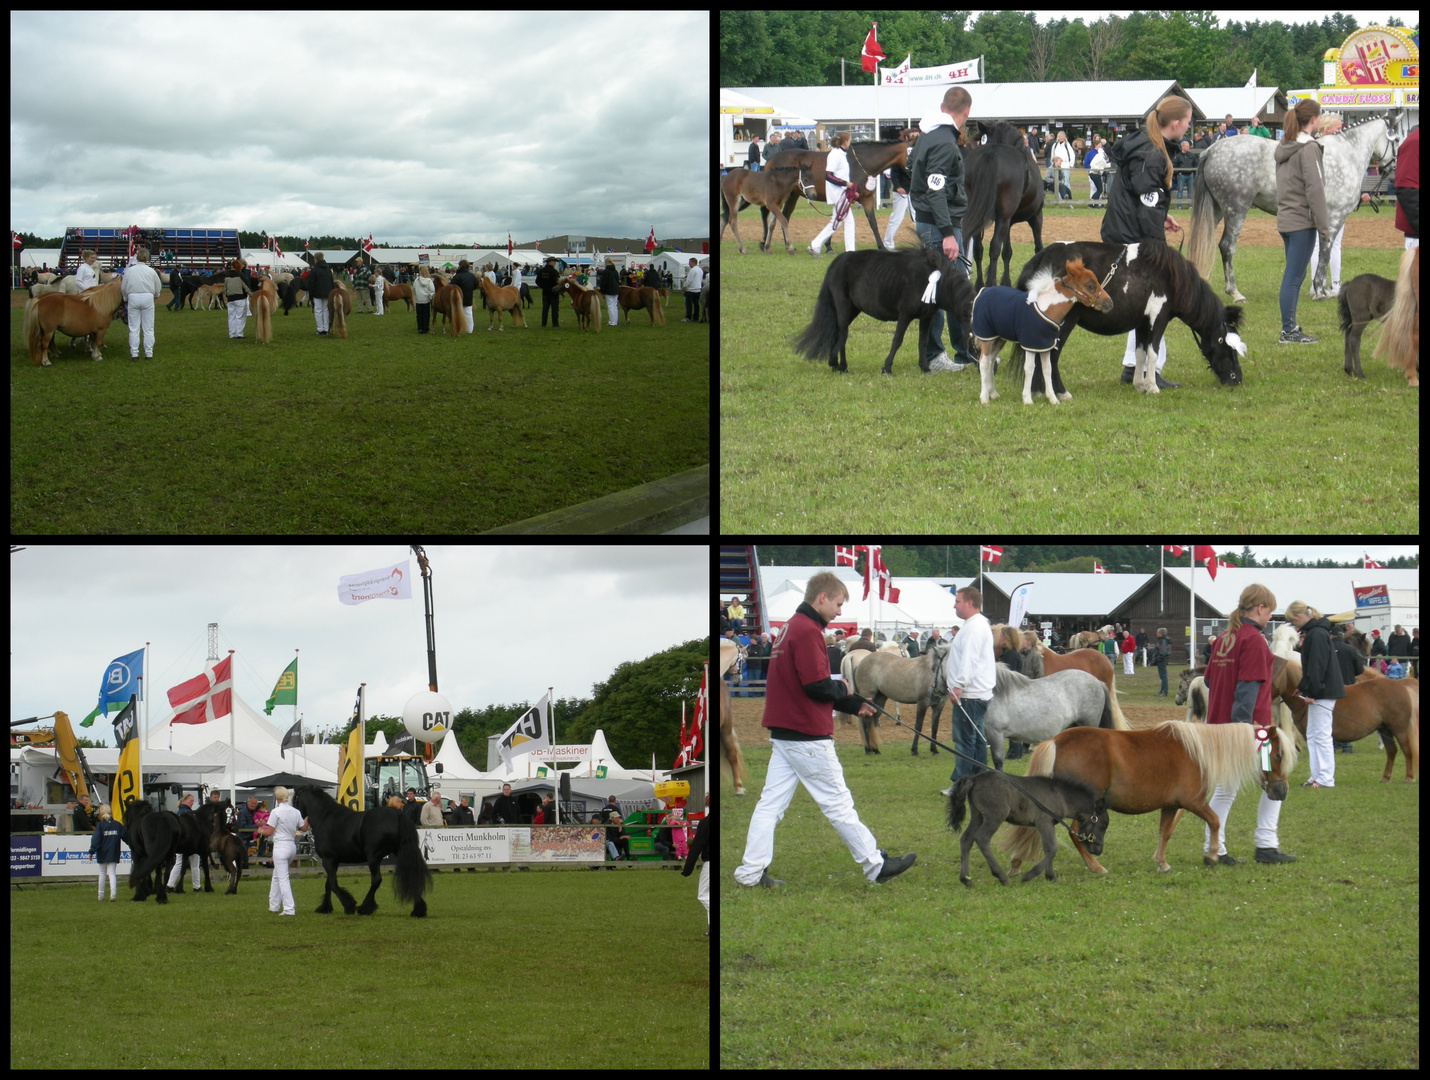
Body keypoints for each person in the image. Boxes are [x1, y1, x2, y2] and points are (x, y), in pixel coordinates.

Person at [733, 570, 916, 887]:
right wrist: (849, 695)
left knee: (770, 806)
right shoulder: (807, 632)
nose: (839, 612)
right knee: (838, 804)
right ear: (822, 598)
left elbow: (806, 685)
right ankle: (875, 866)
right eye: (839, 604)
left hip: (786, 732)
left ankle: (750, 872)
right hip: (806, 734)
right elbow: (816, 685)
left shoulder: (790, 627)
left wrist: (851, 703)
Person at [1102, 95, 1191, 387]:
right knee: (1156, 300)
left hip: (1125, 230)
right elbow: (1146, 205)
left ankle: (1133, 365)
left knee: (1144, 302)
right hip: (1131, 237)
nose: (1188, 128)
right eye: (1187, 122)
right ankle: (1146, 368)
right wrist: (1158, 250)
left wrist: (1161, 216)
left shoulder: (1145, 144)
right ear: (1176, 123)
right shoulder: (1152, 155)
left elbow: (1143, 200)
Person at [1202, 584, 1295, 864]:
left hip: (1218, 726)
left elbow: (1208, 681)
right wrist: (1245, 732)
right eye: (1270, 612)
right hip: (1254, 730)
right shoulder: (1254, 641)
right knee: (1275, 781)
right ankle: (1265, 844)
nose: (1270, 619)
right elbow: (1247, 689)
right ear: (1260, 608)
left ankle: (1215, 847)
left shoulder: (1224, 638)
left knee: (1225, 789)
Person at [1284, 599, 1344, 788]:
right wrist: (1303, 686)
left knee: (1322, 735)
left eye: (1293, 620)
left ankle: (1326, 777)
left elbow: (1317, 666)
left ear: (1300, 616)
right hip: (1322, 690)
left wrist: (1313, 692)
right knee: (1313, 733)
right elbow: (1310, 668)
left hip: (1323, 692)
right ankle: (1316, 775)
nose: (1294, 624)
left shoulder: (1316, 634)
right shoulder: (1316, 632)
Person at [941, 587, 995, 789]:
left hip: (970, 694)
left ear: (970, 603)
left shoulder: (974, 627)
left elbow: (969, 660)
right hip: (976, 693)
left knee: (965, 740)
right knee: (977, 738)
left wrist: (958, 685)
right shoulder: (976, 625)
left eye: (957, 601)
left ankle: (961, 784)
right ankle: (979, 781)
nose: (954, 605)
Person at [258, 786, 306, 915]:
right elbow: (304, 828)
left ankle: (289, 908)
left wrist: (261, 830)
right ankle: (273, 906)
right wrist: (308, 817)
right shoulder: (296, 812)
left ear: (276, 798)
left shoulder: (276, 812)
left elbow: (269, 831)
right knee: (277, 876)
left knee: (283, 878)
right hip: (291, 846)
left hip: (280, 846)